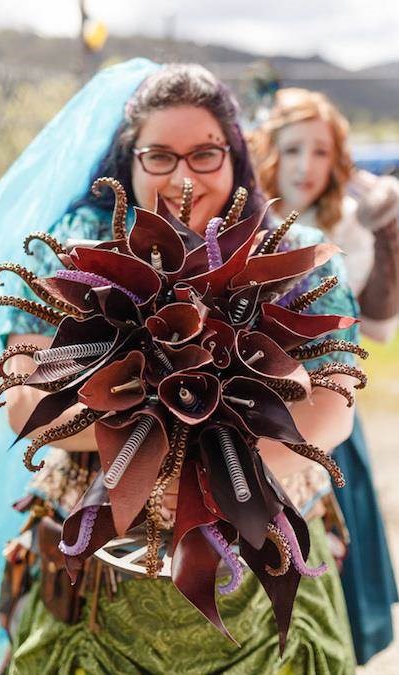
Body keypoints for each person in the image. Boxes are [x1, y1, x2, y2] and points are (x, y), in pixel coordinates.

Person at [0, 60, 360, 674]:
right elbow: (26, 403)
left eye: (204, 154)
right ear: (129, 158)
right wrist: (176, 441)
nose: (183, 178)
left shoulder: (292, 258)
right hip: (101, 583)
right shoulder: (68, 251)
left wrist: (223, 486)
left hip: (261, 557)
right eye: (159, 156)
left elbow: (334, 407)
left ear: (235, 154)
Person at [250, 86, 399, 665]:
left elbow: (381, 328)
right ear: (269, 152)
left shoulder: (348, 225)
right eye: (292, 150)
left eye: (320, 151)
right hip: (253, 416)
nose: (305, 167)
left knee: (335, 550)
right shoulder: (240, 222)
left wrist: (387, 226)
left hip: (327, 421)